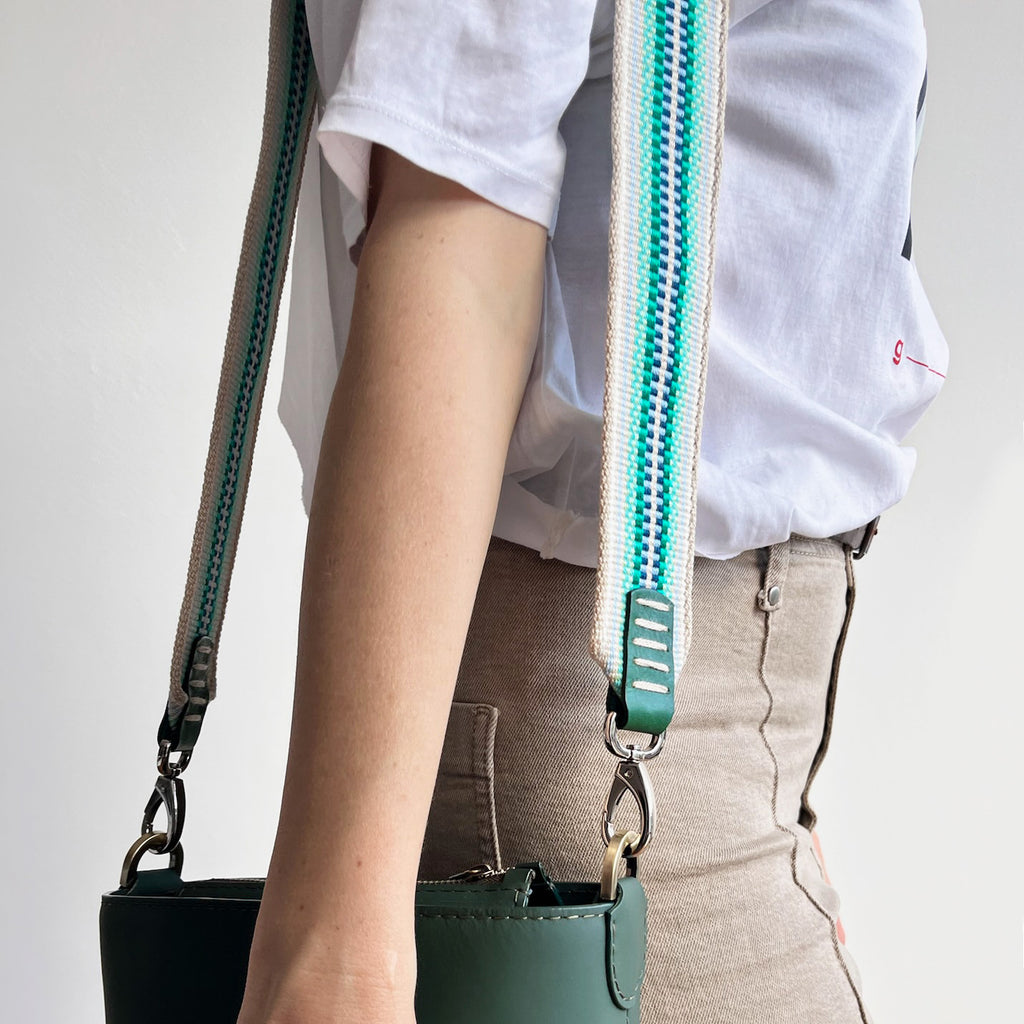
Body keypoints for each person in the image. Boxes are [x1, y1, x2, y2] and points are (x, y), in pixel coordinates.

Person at [236, 1, 948, 1022]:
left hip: (696, 761)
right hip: (604, 750)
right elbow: (459, 216)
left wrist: (763, 767)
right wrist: (336, 957)